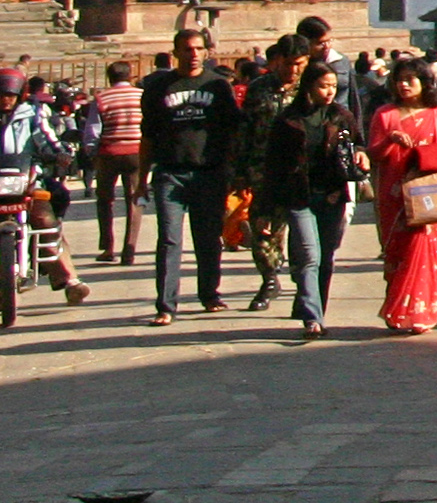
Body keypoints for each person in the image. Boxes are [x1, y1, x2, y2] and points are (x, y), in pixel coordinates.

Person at [140, 26, 242, 325]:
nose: (193, 54)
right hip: (170, 173)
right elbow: (147, 136)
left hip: (209, 172)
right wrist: (140, 179)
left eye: (198, 49)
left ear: (206, 52)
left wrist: (234, 171)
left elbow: (232, 131)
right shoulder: (159, 88)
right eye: (187, 49)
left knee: (208, 237)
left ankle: (209, 294)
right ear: (175, 53)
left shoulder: (218, 87)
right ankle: (166, 305)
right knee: (170, 239)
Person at [262, 61, 359, 340]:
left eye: (332, 86)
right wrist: (267, 208)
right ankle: (312, 318)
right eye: (322, 86)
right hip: (299, 196)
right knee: (309, 257)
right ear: (308, 86)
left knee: (325, 257)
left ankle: (318, 308)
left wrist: (361, 155)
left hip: (332, 195)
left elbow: (359, 143)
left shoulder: (341, 116)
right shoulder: (288, 121)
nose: (329, 92)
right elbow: (273, 165)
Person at [366, 59, 437, 333]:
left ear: (425, 83)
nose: (404, 85)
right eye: (399, 79)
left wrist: (422, 157)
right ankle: (397, 311)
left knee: (427, 251)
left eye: (411, 79)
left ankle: (422, 313)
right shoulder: (385, 115)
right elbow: (374, 155)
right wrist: (390, 140)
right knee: (398, 253)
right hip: (394, 195)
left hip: (429, 192)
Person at [0, 67, 91, 317]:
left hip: (27, 181)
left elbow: (47, 138)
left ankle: (70, 280)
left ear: (20, 95)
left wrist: (61, 152)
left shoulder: (33, 114)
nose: (5, 99)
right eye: (1, 94)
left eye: (10, 95)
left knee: (45, 219)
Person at [232, 32, 310, 311]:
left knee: (303, 235)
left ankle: (305, 289)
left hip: (301, 173)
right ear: (276, 61)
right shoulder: (259, 88)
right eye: (287, 63)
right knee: (263, 229)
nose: (292, 70)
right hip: (263, 171)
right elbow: (245, 131)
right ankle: (269, 278)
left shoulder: (312, 88)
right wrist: (239, 171)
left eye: (299, 63)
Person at [82, 59, 144, 263]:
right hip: (137, 152)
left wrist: (91, 153)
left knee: (105, 199)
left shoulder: (101, 98)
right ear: (130, 76)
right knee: (134, 199)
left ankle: (108, 247)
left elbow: (93, 130)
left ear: (109, 78)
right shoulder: (141, 96)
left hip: (109, 153)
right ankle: (130, 248)